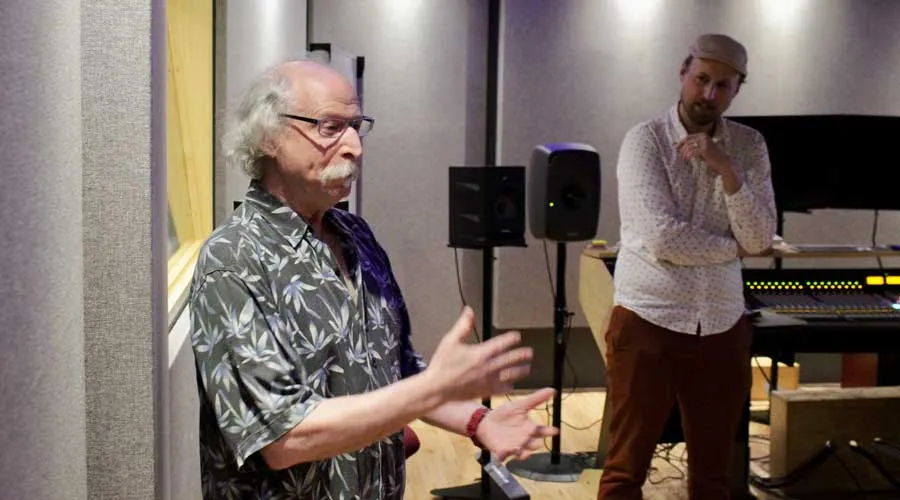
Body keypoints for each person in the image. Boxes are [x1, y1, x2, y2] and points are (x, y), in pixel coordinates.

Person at [189, 59, 558, 500]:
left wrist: (477, 420)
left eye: (355, 127)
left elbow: (396, 373)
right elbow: (284, 437)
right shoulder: (232, 260)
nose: (354, 147)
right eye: (330, 127)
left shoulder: (356, 235)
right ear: (268, 136)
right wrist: (431, 387)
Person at [597, 34, 777, 500]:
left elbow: (759, 238)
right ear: (683, 72)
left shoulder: (749, 146)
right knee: (624, 472)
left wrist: (727, 170)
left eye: (723, 85)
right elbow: (666, 238)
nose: (708, 94)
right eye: (701, 79)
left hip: (722, 325)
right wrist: (734, 248)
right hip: (650, 319)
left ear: (737, 89)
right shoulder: (645, 141)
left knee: (714, 478)